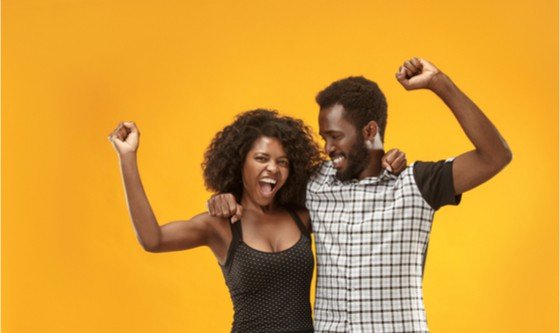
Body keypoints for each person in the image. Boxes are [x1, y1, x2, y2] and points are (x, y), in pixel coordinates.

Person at [207, 58, 512, 332]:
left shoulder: (417, 184)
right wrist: (226, 196)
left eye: (336, 136)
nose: (327, 148)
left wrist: (439, 83)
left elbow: (495, 156)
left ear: (369, 132)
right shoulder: (315, 184)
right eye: (324, 137)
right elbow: (262, 191)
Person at [108, 109, 407, 333]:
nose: (273, 169)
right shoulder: (221, 225)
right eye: (261, 158)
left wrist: (382, 164)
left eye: (282, 162)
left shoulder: (303, 217)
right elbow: (153, 239)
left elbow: (362, 205)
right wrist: (128, 158)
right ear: (240, 163)